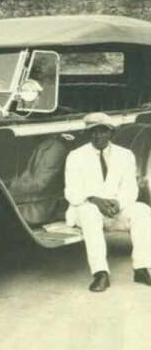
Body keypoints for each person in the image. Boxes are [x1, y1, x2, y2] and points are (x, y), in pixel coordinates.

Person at [63, 112, 151, 292]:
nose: (98, 136)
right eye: (93, 131)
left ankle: (142, 268)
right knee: (89, 213)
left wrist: (118, 203)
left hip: (115, 209)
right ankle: (100, 273)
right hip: (87, 208)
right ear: (88, 134)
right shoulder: (76, 156)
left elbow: (130, 188)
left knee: (142, 210)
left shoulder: (125, 155)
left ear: (111, 133)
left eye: (103, 131)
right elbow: (71, 191)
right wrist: (95, 199)